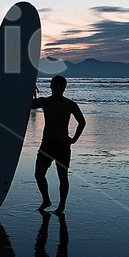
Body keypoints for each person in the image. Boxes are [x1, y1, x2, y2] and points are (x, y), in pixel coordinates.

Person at [31, 75, 86, 215]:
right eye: (55, 84)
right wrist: (29, 88)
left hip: (62, 145)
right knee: (39, 174)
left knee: (62, 176)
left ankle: (61, 206)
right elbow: (26, 103)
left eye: (61, 85)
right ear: (51, 86)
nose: (58, 87)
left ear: (64, 87)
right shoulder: (45, 102)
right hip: (47, 144)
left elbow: (82, 122)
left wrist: (74, 139)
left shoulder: (70, 104)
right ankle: (46, 200)